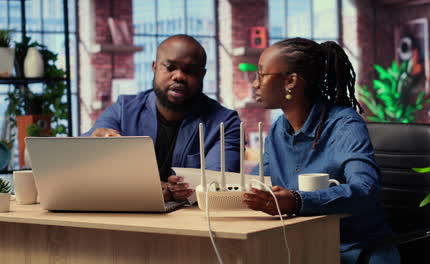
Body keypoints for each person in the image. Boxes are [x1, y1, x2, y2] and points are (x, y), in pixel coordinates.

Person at [243, 38, 400, 264]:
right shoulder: (279, 129)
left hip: (354, 250)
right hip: (301, 245)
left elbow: (365, 189)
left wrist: (297, 201)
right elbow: (257, 182)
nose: (255, 84)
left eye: (261, 74)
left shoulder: (345, 125)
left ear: (290, 81)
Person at [83, 34, 241, 203]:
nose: (179, 76)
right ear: (155, 67)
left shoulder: (225, 123)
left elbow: (217, 184)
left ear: (202, 75)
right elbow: (84, 156)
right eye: (170, 67)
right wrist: (95, 142)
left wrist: (187, 189)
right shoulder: (123, 110)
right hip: (127, 217)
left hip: (193, 223)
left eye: (190, 71)